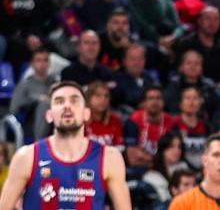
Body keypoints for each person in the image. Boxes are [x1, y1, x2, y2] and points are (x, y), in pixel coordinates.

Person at [0, 81, 132, 210]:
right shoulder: (26, 156)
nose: (67, 106)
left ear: (86, 113)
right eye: (59, 101)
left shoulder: (110, 158)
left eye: (74, 101)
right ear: (49, 115)